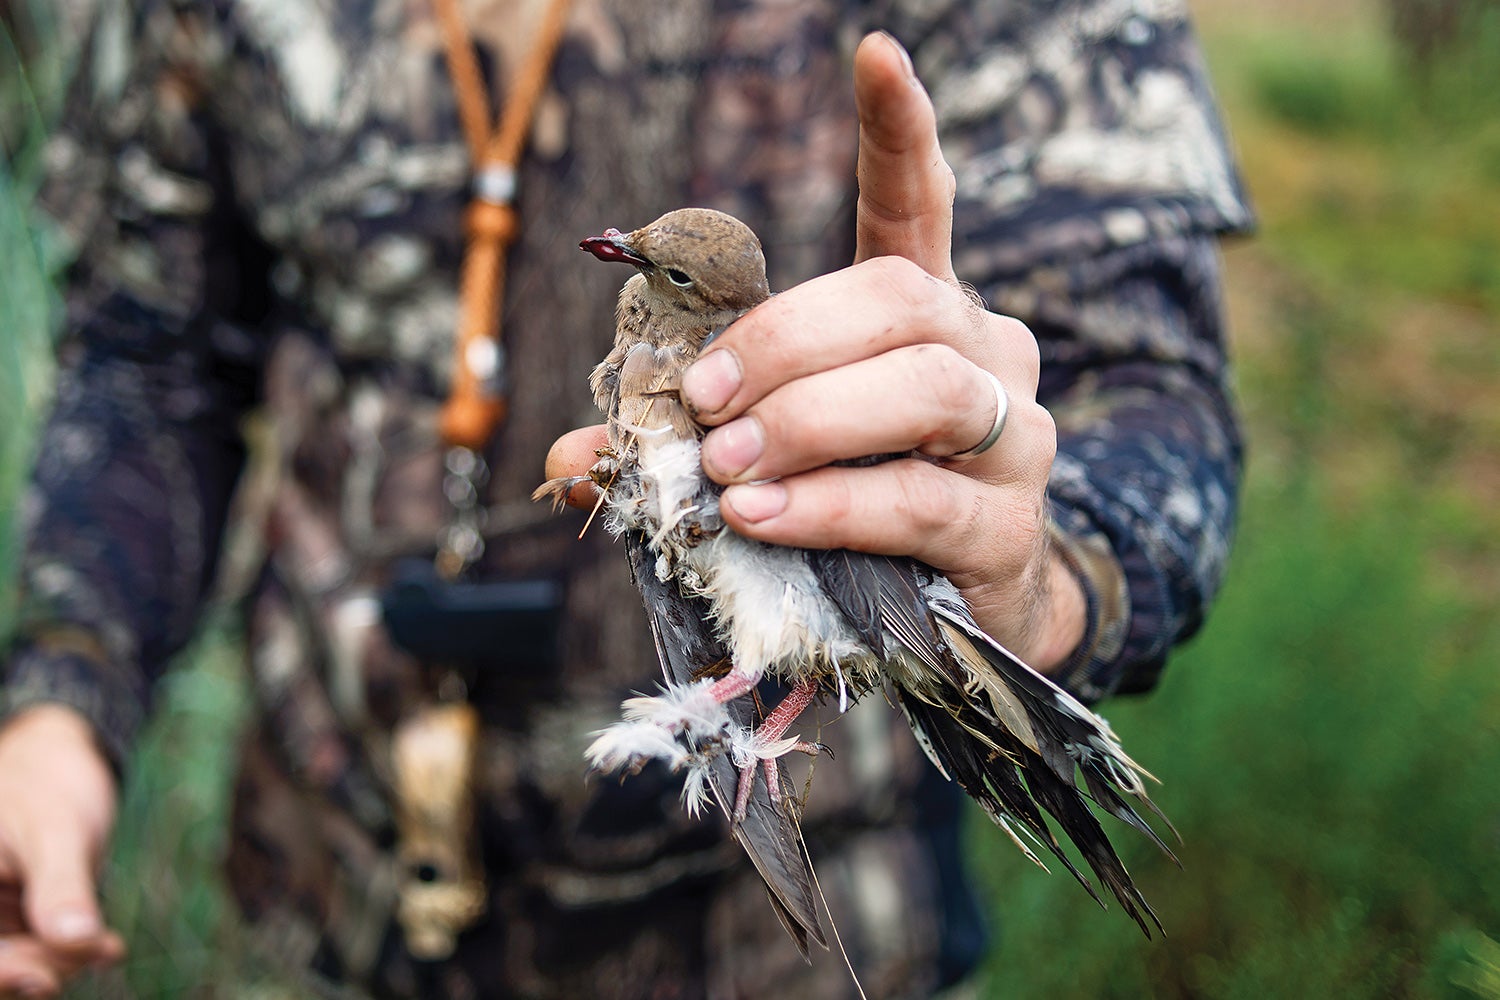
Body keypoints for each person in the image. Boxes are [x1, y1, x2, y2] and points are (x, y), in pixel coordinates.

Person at [0, 1, 1250, 997]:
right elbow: (151, 359)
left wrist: (1030, 575)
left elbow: (1143, 388)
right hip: (321, 907)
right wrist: (58, 708)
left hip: (793, 949)